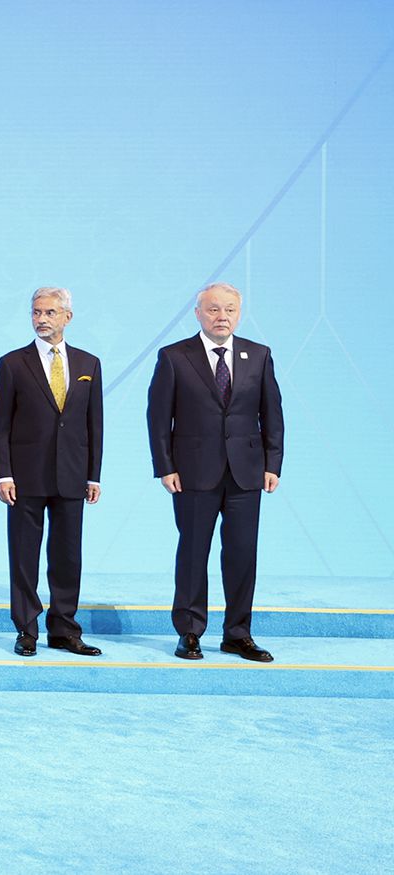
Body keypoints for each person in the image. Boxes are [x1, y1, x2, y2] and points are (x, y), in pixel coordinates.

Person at [146, 283, 284, 662]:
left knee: (242, 554)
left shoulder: (258, 355)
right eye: (213, 310)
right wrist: (165, 467)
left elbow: (272, 413)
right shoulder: (174, 357)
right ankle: (189, 633)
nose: (221, 316)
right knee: (193, 553)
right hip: (192, 473)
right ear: (197, 313)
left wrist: (273, 464)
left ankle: (238, 634)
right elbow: (158, 418)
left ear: (239, 313)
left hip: (246, 473)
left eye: (229, 310)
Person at [0, 287, 104, 657]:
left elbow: (94, 424)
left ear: (67, 317)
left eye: (50, 313)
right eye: (37, 312)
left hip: (72, 474)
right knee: (24, 555)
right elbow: (0, 426)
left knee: (68, 555)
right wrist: (3, 474)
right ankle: (27, 629)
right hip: (24, 477)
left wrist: (93, 475)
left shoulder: (89, 363)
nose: (42, 319)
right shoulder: (12, 363)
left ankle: (65, 629)